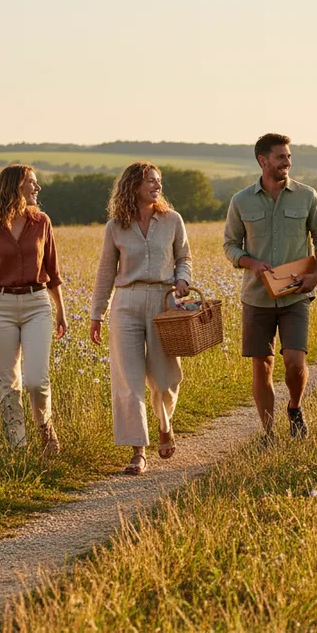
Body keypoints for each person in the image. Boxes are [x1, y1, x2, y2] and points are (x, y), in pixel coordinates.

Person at [223, 133, 317, 442]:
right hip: (256, 297)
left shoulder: (307, 195)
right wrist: (251, 263)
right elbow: (231, 245)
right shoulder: (241, 200)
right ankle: (268, 433)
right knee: (263, 364)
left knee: (295, 362)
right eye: (281, 157)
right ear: (263, 161)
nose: (288, 161)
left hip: (296, 295)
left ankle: (295, 407)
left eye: (289, 156)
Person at [90, 162, 192, 474]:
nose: (157, 186)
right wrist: (97, 314)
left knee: (165, 377)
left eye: (158, 180)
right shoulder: (115, 227)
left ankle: (164, 424)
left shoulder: (172, 220)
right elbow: (106, 271)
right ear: (134, 186)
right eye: (150, 181)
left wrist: (183, 279)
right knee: (128, 380)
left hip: (163, 301)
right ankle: (138, 450)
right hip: (126, 302)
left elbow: (183, 256)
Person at [0, 164, 68, 455]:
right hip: (0, 307)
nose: (37, 188)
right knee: (8, 383)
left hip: (37, 304)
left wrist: (61, 310)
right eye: (32, 182)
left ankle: (46, 431)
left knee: (35, 379)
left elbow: (52, 270)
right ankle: (17, 449)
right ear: (15, 187)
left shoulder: (42, 222)